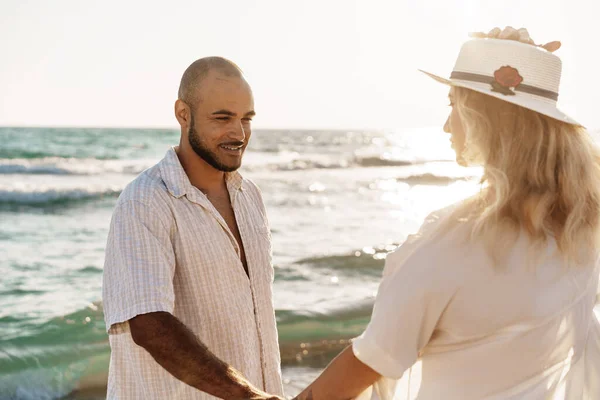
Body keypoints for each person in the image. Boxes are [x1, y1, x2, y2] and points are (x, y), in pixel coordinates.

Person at [293, 27, 600, 400]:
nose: (445, 124)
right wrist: (524, 66)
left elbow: (368, 363)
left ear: (484, 121)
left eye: (453, 105)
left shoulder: (451, 245)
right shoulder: (582, 228)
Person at [102, 57, 284, 400]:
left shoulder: (249, 196)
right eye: (222, 118)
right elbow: (149, 325)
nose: (239, 133)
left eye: (246, 118)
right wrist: (247, 395)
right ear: (183, 114)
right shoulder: (145, 202)